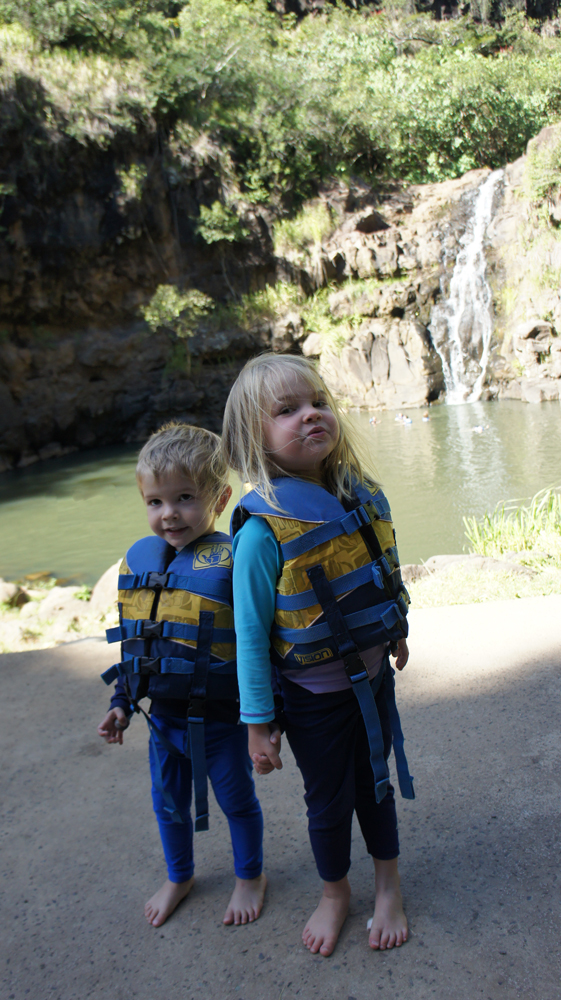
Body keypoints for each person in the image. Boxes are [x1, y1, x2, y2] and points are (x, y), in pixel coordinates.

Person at [222, 354, 414, 958]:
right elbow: (250, 637)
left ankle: (389, 885)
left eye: (317, 403)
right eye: (286, 411)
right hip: (314, 700)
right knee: (328, 802)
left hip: (376, 678)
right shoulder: (260, 534)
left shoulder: (358, 497)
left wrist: (397, 629)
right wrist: (258, 723)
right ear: (255, 439)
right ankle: (336, 892)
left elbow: (381, 573)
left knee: (376, 784)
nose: (310, 416)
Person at [97, 422, 266, 929]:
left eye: (185, 498)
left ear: (220, 497)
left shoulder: (235, 560)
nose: (168, 514)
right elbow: (138, 644)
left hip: (222, 721)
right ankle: (180, 874)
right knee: (167, 804)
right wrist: (121, 702)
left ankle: (250, 876)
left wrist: (269, 720)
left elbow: (259, 645)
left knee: (237, 800)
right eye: (155, 502)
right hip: (162, 722)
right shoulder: (143, 564)